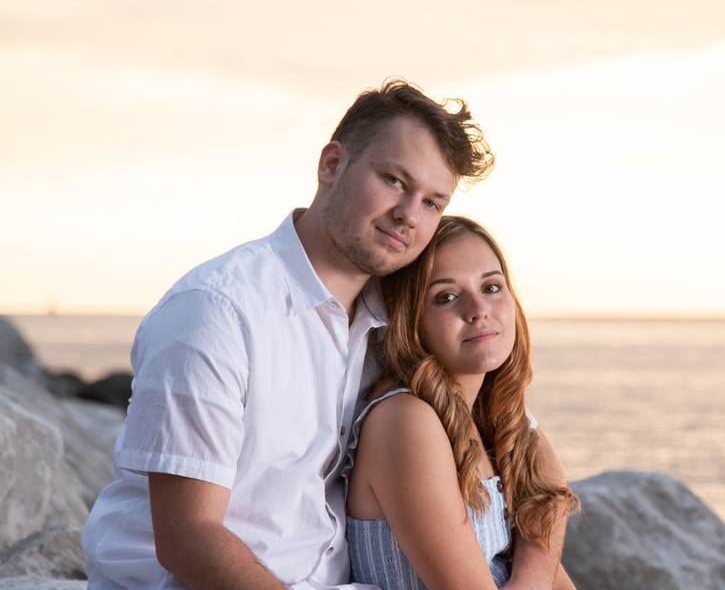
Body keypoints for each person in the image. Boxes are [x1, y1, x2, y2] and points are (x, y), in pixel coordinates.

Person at [82, 79, 568, 589]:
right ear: (332, 165)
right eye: (395, 181)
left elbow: (522, 438)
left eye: (431, 202)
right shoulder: (217, 312)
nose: (408, 215)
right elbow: (187, 537)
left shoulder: (395, 322)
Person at [343, 216, 578, 589]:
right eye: (446, 296)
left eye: (491, 286)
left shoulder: (493, 421)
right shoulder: (404, 420)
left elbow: (549, 496)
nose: (478, 309)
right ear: (410, 320)